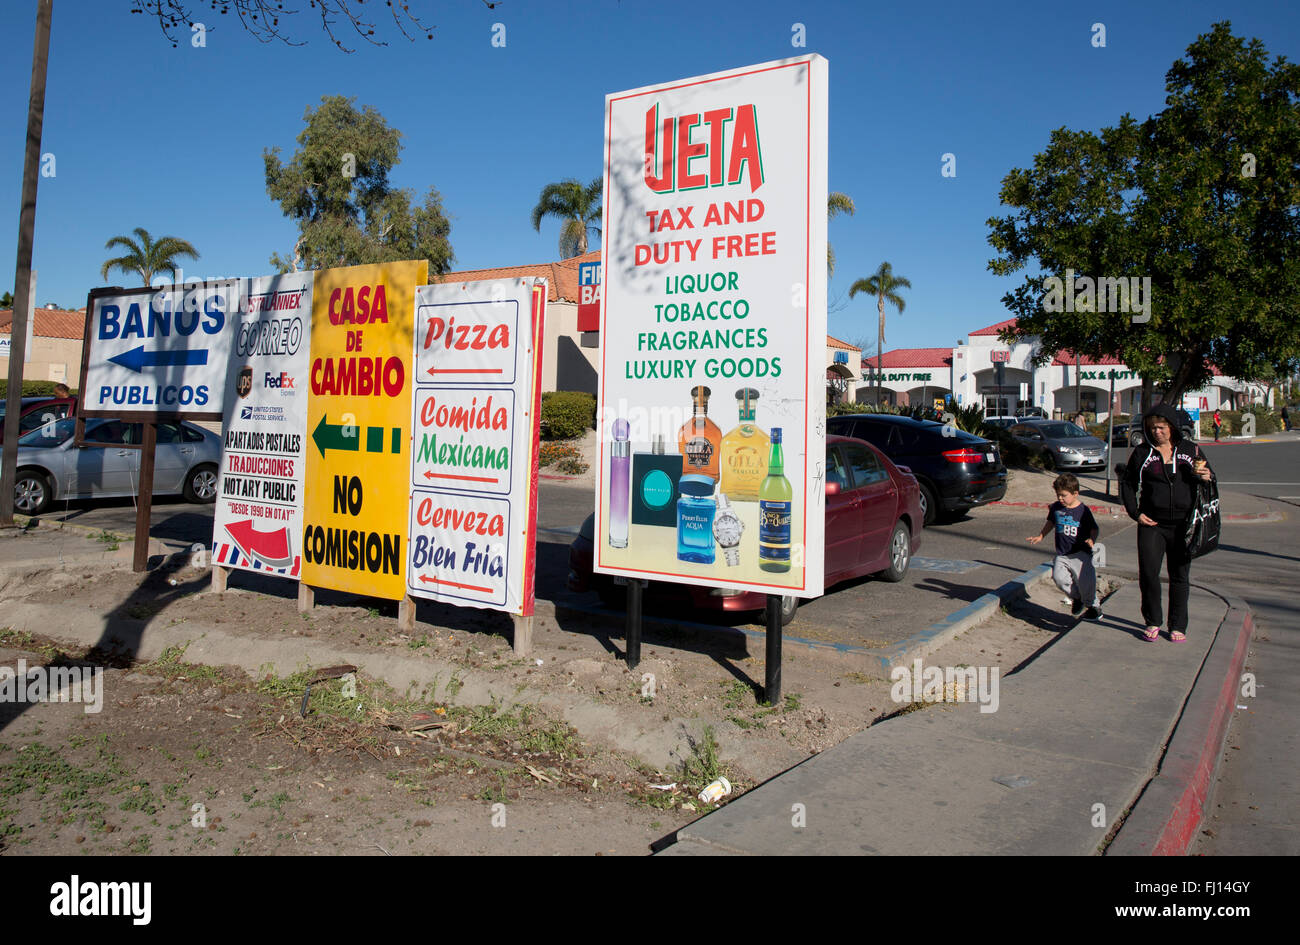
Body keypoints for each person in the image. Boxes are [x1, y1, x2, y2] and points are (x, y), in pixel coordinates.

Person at [1120, 404, 1214, 642]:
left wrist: (1206, 476)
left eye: (1161, 427)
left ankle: (1177, 625)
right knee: (1149, 574)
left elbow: (1209, 477)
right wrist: (1135, 512)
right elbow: (1128, 484)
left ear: (1172, 427)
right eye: (1152, 428)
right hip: (1152, 524)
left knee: (1179, 576)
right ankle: (1152, 621)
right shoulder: (1142, 453)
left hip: (1184, 524)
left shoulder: (1190, 449)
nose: (1156, 432)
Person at [1027, 473, 1102, 619]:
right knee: (1059, 578)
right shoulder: (1056, 508)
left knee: (1086, 583)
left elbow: (1094, 528)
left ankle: (1093, 606)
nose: (1060, 498)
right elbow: (1051, 522)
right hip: (1062, 553)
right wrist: (1041, 535)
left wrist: (1092, 540)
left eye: (1064, 495)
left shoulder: (1083, 510)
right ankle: (1077, 598)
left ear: (1075, 493)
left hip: (1081, 554)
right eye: (1058, 495)